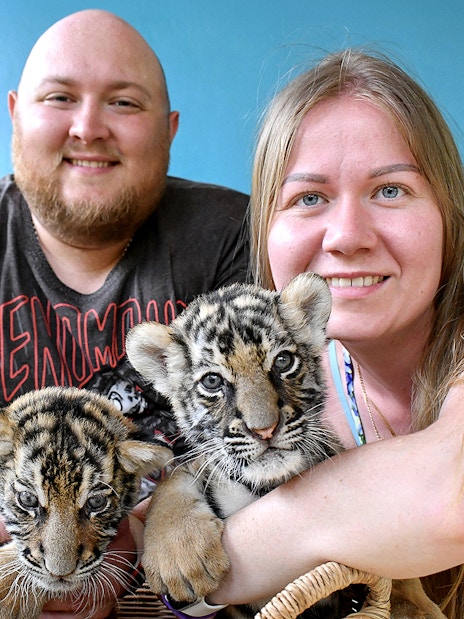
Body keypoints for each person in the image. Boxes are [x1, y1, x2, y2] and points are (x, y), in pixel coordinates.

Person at [165, 50, 464, 618]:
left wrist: (218, 562)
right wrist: (173, 521)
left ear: (449, 211)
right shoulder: (306, 386)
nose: (347, 236)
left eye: (390, 190)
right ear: (265, 232)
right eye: (309, 198)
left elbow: (450, 493)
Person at [0, 8, 249, 618]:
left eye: (124, 104)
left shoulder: (234, 236)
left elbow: (261, 439)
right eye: (60, 97)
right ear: (15, 115)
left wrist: (147, 524)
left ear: (169, 130)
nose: (88, 128)